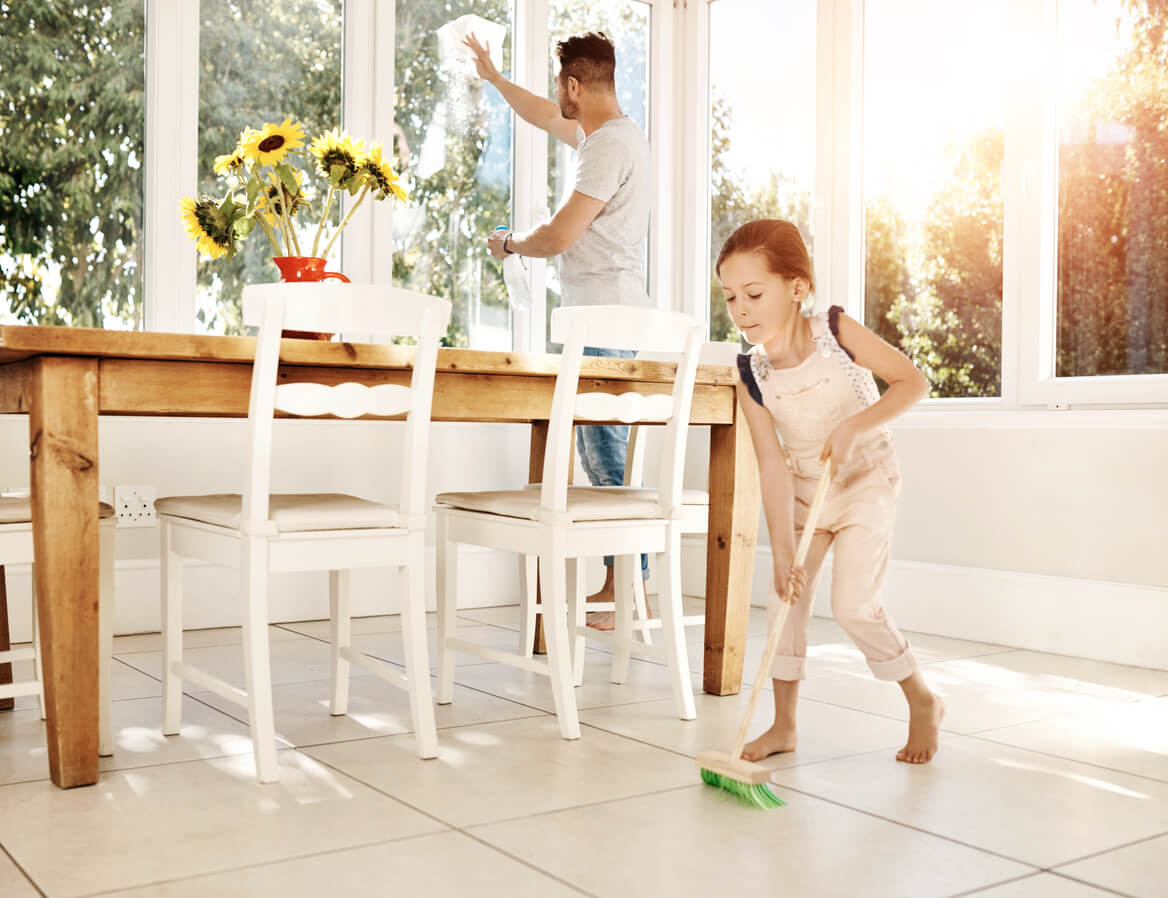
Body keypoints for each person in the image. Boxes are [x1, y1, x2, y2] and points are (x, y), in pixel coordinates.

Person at [718, 219, 944, 764]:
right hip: (802, 489)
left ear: (796, 289)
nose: (741, 310)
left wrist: (854, 426)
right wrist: (782, 548)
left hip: (865, 478)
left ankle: (921, 699)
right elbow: (771, 465)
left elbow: (914, 382)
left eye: (753, 293)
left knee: (852, 606)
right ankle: (785, 726)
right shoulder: (750, 371)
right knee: (784, 603)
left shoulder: (836, 331)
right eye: (729, 298)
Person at [463, 30, 652, 629]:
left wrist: (509, 243)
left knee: (604, 454)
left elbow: (561, 235)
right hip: (610, 309)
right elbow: (545, 115)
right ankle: (625, 583)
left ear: (575, 83)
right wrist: (494, 78)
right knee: (607, 449)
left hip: (600, 313)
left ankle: (628, 586)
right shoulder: (613, 136)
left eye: (560, 85)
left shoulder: (604, 148)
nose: (556, 97)